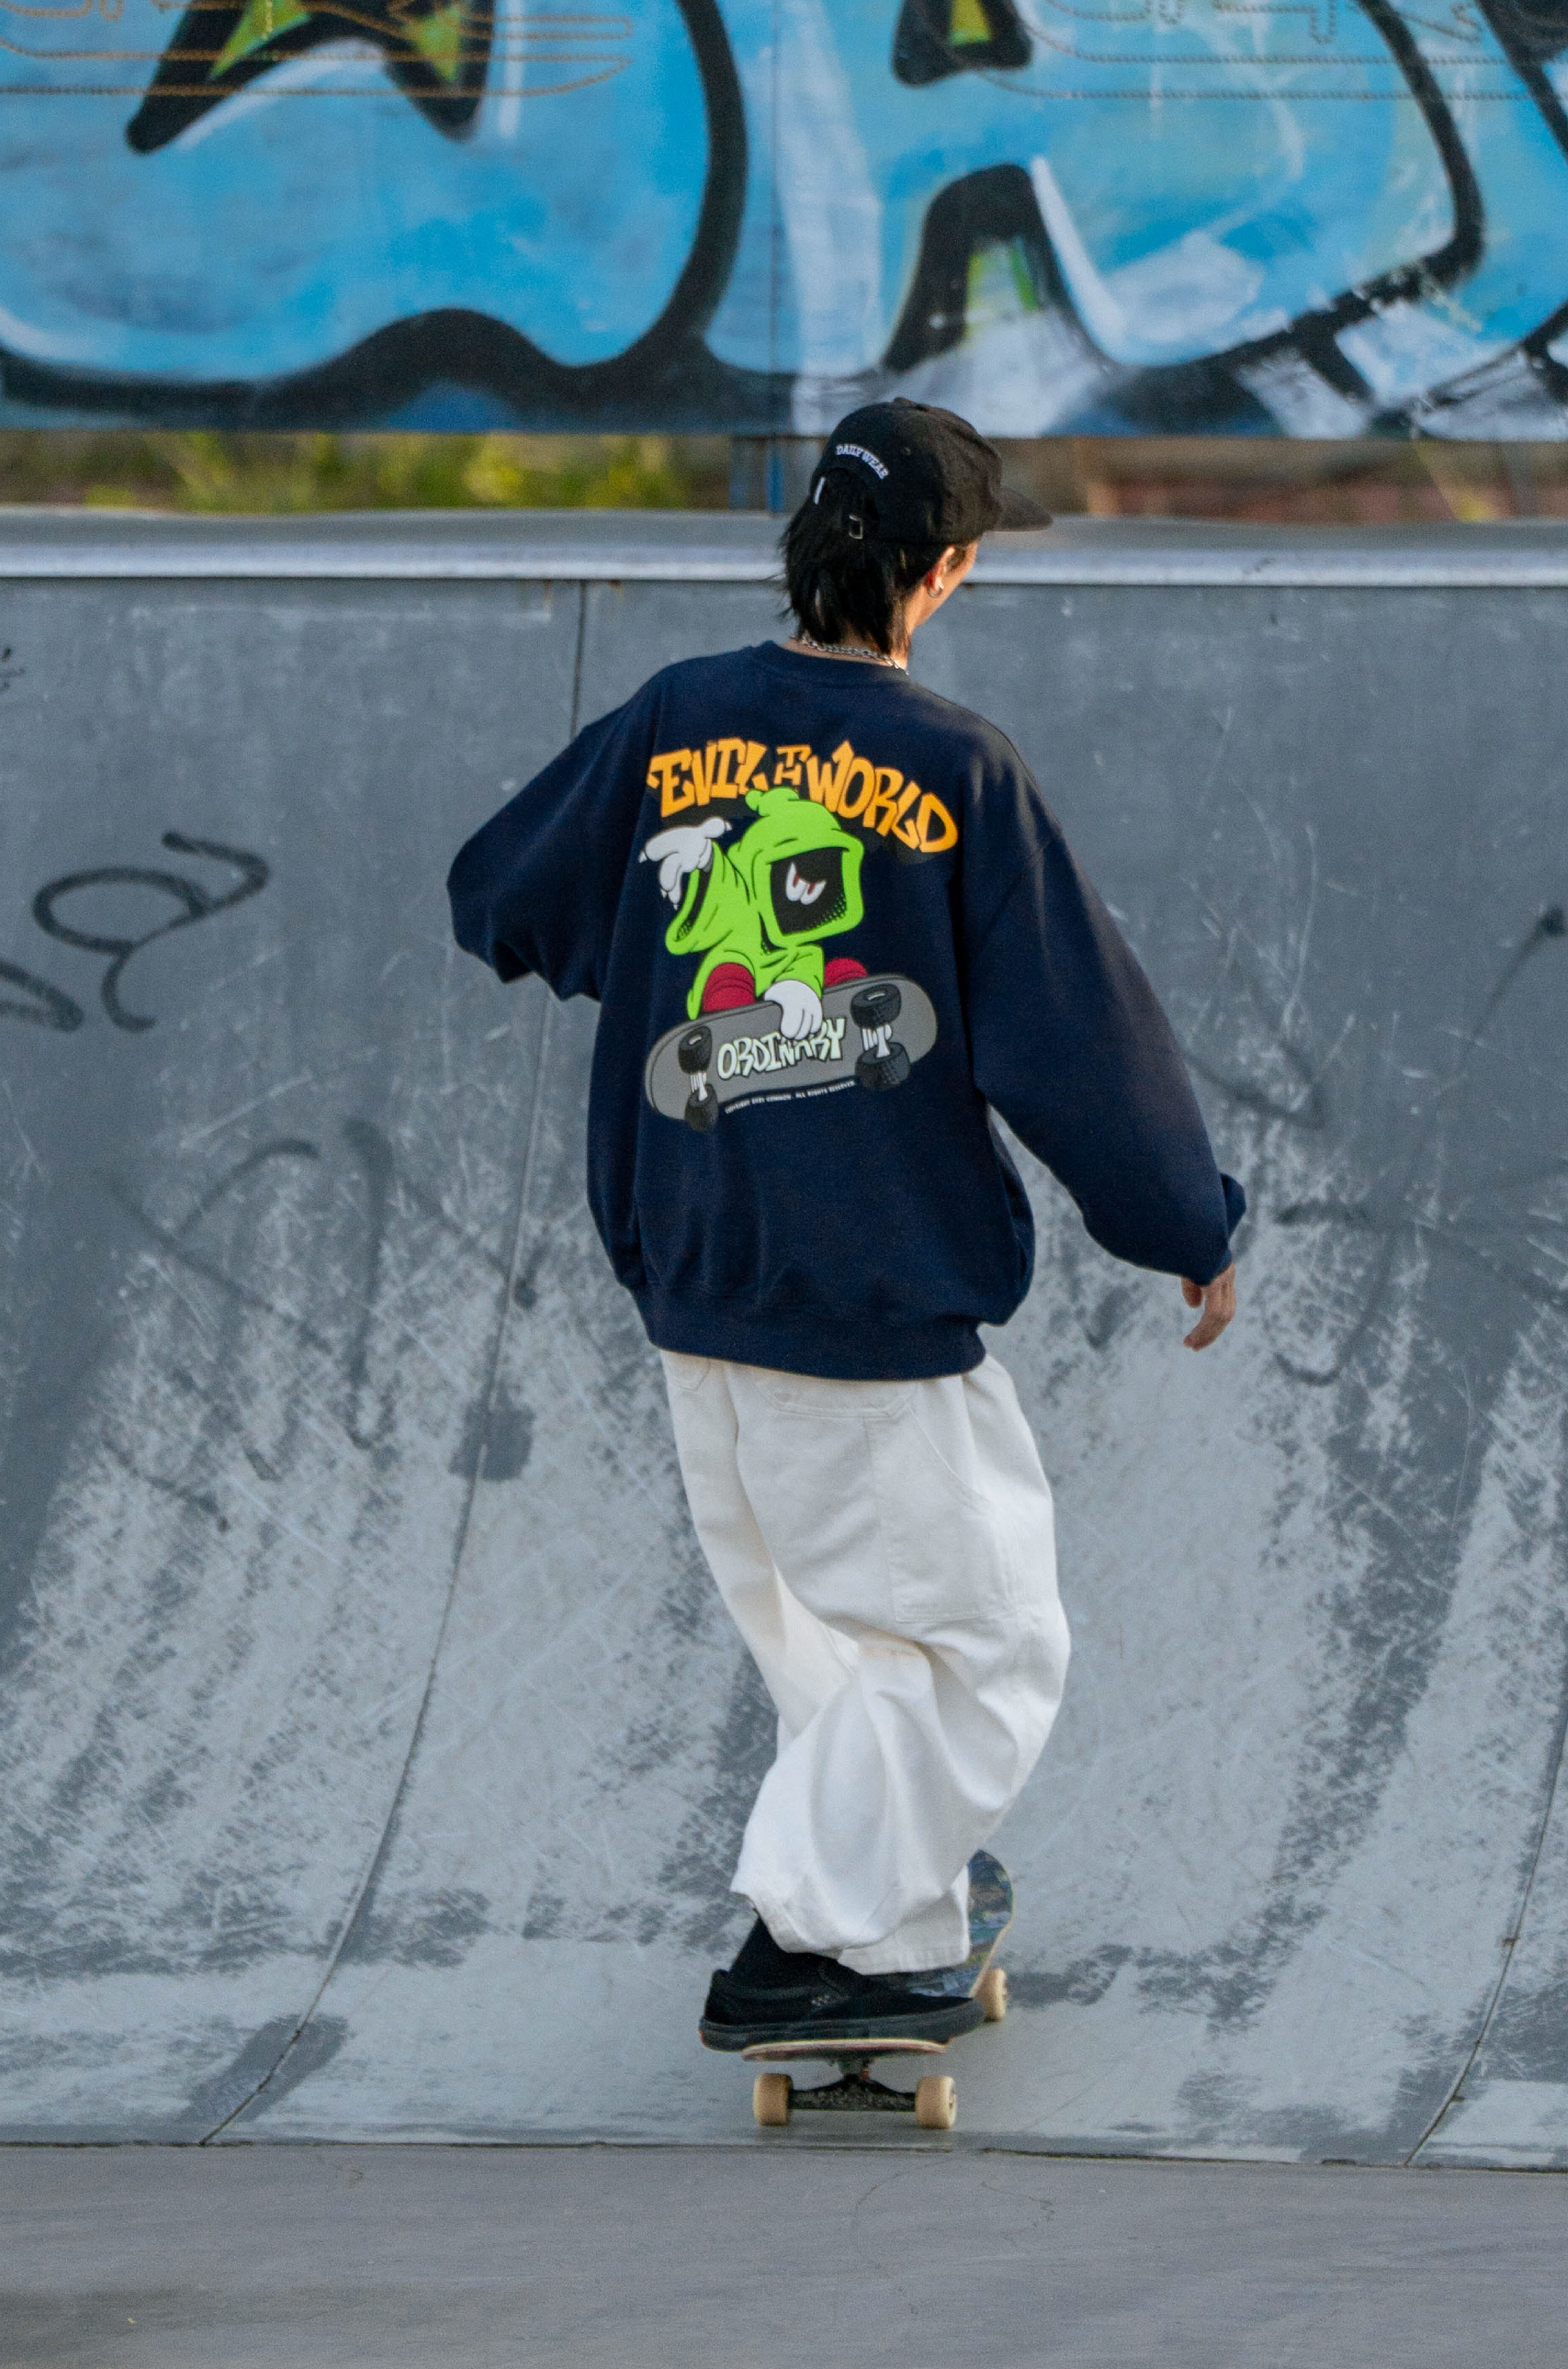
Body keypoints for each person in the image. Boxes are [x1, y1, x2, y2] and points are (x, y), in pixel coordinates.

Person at [448, 398, 1242, 2052]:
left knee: (831, 1645)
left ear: (809, 543)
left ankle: (893, 1901)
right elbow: (1080, 1043)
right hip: (869, 1309)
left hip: (699, 1291)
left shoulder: (676, 719)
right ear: (945, 573)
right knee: (986, 1645)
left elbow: (500, 896)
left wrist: (641, 955)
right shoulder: (957, 772)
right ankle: (814, 1945)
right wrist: (1186, 1221)